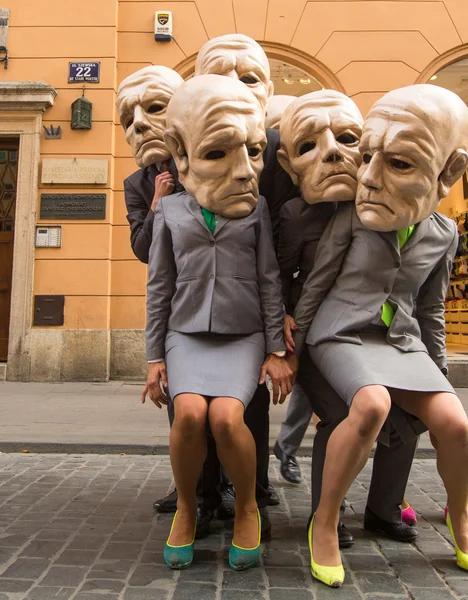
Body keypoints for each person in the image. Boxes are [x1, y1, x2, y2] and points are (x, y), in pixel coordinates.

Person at [288, 84, 468, 587]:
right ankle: (326, 522)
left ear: (449, 173)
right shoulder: (353, 217)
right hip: (342, 336)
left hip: (401, 342)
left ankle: (460, 515)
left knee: (454, 422)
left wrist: (438, 372)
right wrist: (291, 356)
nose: (369, 178)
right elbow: (315, 286)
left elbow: (431, 306)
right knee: (371, 405)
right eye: (368, 155)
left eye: (398, 164)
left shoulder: (445, 233)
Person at [143, 75, 293, 571]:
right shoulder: (169, 211)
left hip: (243, 334)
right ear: (181, 157)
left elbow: (269, 280)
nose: (244, 170)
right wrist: (154, 356)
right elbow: (159, 286)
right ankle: (187, 509)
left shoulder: (256, 210)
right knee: (188, 416)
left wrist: (276, 350)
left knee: (227, 418)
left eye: (251, 152)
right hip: (185, 333)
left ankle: (247, 507)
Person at [275, 90, 420, 545]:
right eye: (309, 146)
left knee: (407, 420)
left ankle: (383, 507)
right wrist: (280, 326)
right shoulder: (296, 216)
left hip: (376, 334)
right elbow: (277, 275)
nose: (333, 152)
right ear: (288, 165)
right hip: (317, 331)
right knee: (338, 416)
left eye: (347, 137)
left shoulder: (385, 204)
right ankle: (326, 513)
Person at [116, 66, 235, 533]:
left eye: (153, 108)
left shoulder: (217, 160)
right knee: (184, 409)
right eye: (127, 118)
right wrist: (157, 203)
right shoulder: (137, 185)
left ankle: (228, 487)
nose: (139, 124)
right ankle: (192, 490)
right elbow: (144, 252)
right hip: (180, 310)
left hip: (227, 305)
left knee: (225, 408)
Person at [194, 33, 298, 523]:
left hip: (258, 297)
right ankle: (198, 489)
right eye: (220, 74)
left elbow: (288, 233)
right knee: (191, 402)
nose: (236, 84)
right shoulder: (189, 140)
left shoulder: (278, 150)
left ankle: (252, 485)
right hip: (197, 301)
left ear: (268, 88)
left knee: (249, 399)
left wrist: (283, 307)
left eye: (249, 76)